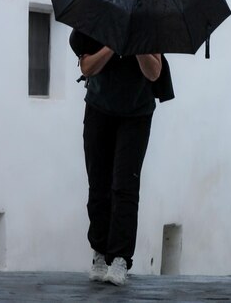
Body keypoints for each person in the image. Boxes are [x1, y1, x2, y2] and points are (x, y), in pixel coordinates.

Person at [70, 29, 173, 286]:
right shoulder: (97, 20)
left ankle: (120, 259)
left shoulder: (149, 24)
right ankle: (100, 253)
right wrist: (112, 46)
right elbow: (87, 67)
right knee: (98, 183)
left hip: (136, 113)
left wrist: (135, 43)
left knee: (125, 186)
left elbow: (154, 72)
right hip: (98, 108)